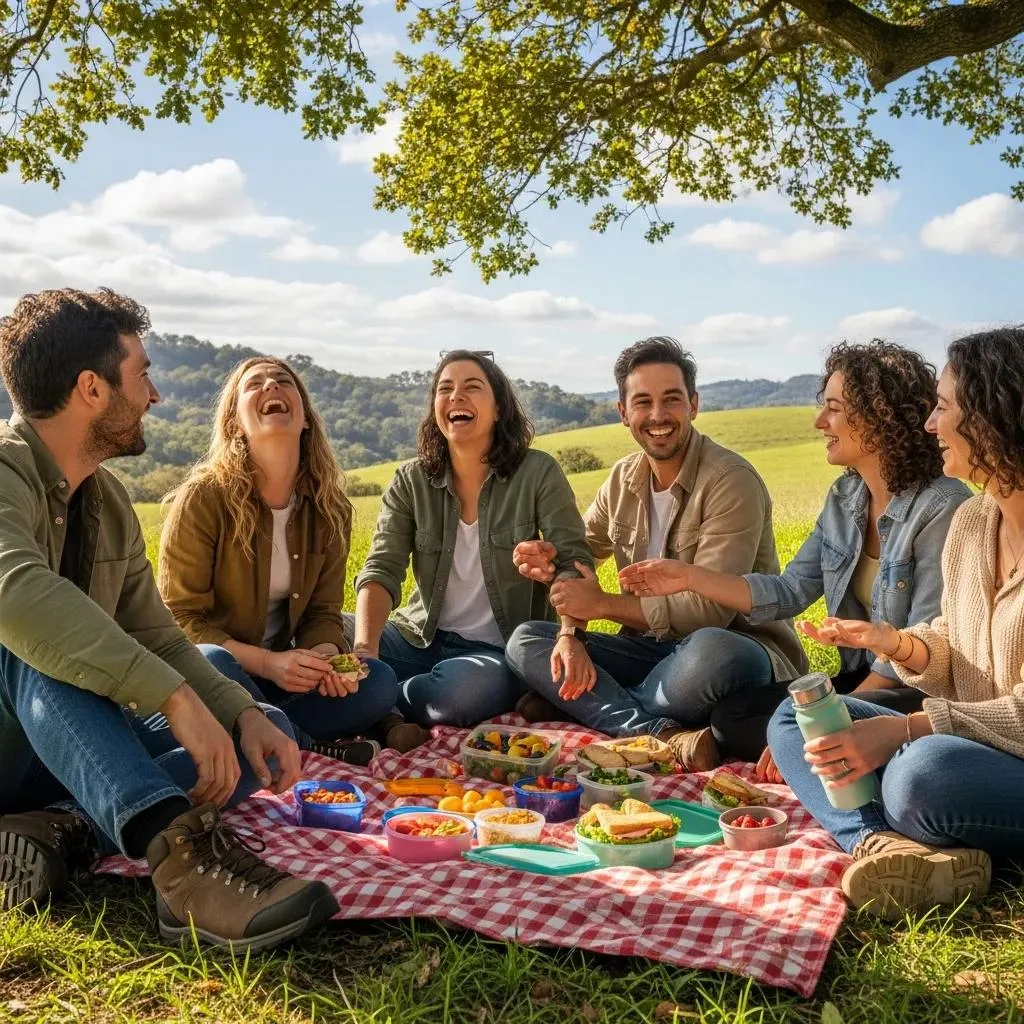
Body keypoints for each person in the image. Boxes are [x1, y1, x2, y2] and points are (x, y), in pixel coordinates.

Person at [0, 288, 338, 948]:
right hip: (11, 729)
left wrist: (238, 712)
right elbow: (18, 595)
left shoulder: (109, 502)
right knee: (37, 641)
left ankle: (61, 827)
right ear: (93, 389)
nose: (153, 395)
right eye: (143, 374)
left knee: (244, 740)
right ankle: (182, 868)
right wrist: (171, 698)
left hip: (63, 744)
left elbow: (155, 631)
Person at [618, 341, 971, 780]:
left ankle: (837, 753)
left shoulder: (942, 507)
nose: (819, 421)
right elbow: (788, 591)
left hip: (915, 695)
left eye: (835, 409)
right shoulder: (846, 498)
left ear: (880, 415)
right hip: (862, 678)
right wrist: (690, 577)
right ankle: (815, 751)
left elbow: (920, 652)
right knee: (732, 718)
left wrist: (831, 718)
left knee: (790, 724)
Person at [767, 327, 1024, 919]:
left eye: (943, 407)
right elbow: (959, 652)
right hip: (972, 737)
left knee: (920, 775)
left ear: (994, 412)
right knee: (799, 712)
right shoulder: (974, 525)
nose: (930, 424)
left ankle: (907, 823)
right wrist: (900, 644)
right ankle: (880, 845)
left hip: (967, 750)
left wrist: (908, 729)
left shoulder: (944, 508)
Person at [505, 336, 807, 770]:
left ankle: (592, 705)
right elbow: (579, 555)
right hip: (652, 653)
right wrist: (552, 567)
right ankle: (659, 734)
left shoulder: (730, 479)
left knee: (712, 650)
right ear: (623, 412)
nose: (658, 415)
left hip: (738, 652)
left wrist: (604, 606)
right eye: (643, 402)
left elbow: (708, 612)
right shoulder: (622, 477)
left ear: (694, 404)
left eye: (672, 400)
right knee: (528, 640)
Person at [158, 356, 417, 766]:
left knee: (379, 682)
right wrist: (267, 662)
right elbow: (180, 621)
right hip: (215, 676)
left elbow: (323, 612)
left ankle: (264, 736)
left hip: (282, 679)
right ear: (234, 423)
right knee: (215, 659)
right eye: (254, 384)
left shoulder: (330, 509)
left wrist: (327, 659)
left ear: (306, 419)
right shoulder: (203, 499)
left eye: (282, 381)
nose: (271, 387)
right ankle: (304, 744)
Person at [350, 349, 595, 727]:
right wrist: (366, 650)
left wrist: (568, 635)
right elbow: (381, 568)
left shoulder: (538, 472)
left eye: (472, 387)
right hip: (417, 638)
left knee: (457, 695)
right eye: (445, 388)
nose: (456, 396)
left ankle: (382, 706)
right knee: (327, 633)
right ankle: (388, 700)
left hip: (494, 652)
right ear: (435, 408)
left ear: (498, 408)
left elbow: (573, 560)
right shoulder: (410, 481)